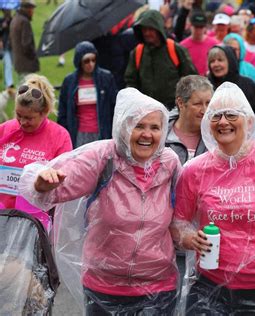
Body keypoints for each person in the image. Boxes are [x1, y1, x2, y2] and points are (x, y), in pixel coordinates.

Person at [19, 88, 181, 315]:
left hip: (159, 286)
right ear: (123, 127)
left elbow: (183, 214)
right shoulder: (103, 157)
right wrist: (42, 183)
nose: (147, 134)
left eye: (155, 127)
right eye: (139, 126)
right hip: (105, 287)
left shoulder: (169, 163)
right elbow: (50, 187)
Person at [171, 82, 255, 315]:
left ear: (247, 121)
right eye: (216, 116)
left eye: (231, 115)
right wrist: (190, 238)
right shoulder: (194, 170)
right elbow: (178, 222)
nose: (223, 122)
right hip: (210, 285)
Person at [0, 74, 72, 228]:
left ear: (44, 112)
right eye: (19, 115)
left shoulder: (60, 136)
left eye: (29, 118)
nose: (22, 122)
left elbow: (65, 184)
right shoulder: (5, 130)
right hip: (2, 215)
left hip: (34, 222)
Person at [124, 9, 197, 110]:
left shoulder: (175, 49)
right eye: (144, 29)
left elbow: (192, 78)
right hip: (146, 110)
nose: (147, 33)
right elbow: (131, 81)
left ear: (158, 29)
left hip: (173, 109)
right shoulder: (137, 52)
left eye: (150, 29)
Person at [58, 41, 118, 148]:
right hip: (78, 134)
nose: (91, 64)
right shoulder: (69, 81)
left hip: (102, 132)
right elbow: (62, 111)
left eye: (93, 60)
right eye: (86, 61)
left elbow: (115, 107)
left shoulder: (106, 78)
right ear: (79, 61)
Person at [166, 75, 213, 165]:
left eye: (208, 103)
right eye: (197, 104)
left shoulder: (216, 137)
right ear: (180, 103)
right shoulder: (161, 135)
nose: (205, 110)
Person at [207, 45, 255, 114]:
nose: (216, 64)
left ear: (230, 61)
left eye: (220, 60)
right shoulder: (207, 86)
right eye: (212, 61)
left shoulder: (248, 85)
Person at [180, 11, 218, 76]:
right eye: (196, 27)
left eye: (201, 27)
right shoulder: (182, 46)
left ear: (205, 27)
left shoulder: (215, 44)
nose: (198, 30)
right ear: (190, 26)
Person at [9, 0, 39, 80]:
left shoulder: (15, 19)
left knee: (22, 88)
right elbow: (26, 44)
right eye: (32, 9)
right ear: (28, 9)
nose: (33, 12)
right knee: (27, 90)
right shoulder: (24, 22)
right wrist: (34, 56)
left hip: (19, 62)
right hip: (27, 63)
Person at [0, 9, 14, 88]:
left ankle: (8, 82)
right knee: (8, 64)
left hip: (13, 45)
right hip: (5, 45)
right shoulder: (1, 20)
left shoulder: (14, 19)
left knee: (11, 64)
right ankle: (9, 83)